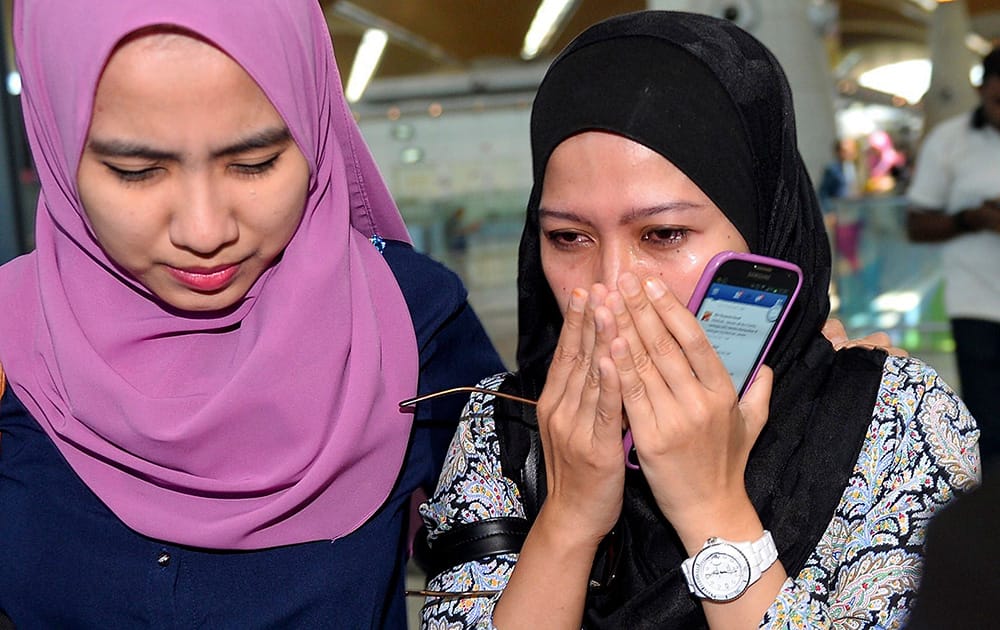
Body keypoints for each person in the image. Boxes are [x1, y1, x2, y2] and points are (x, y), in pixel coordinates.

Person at [417, 11, 979, 629]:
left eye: (663, 233)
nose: (612, 286)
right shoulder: (507, 428)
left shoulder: (890, 418)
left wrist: (710, 508)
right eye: (569, 237)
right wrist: (570, 519)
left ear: (765, 228)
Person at [0, 1, 503, 627]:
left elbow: (504, 585)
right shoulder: (6, 347)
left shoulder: (409, 319)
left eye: (254, 163)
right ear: (52, 141)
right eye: (137, 172)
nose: (205, 231)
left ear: (315, 131)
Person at [906, 46, 1000, 473]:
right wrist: (971, 218)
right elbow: (917, 224)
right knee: (991, 428)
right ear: (982, 89)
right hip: (976, 304)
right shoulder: (950, 141)